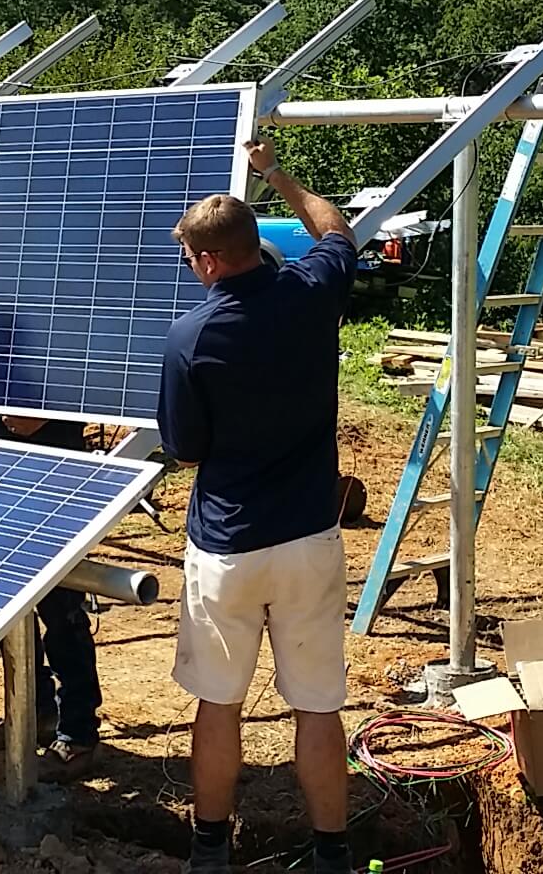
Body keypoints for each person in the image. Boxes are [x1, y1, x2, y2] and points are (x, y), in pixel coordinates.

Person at [157, 138, 359, 874]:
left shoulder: (191, 338)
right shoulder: (313, 292)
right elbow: (335, 229)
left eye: (190, 259)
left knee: (219, 703)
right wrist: (275, 171)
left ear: (210, 262)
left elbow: (186, 451)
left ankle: (211, 849)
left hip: (227, 548)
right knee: (316, 705)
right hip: (308, 537)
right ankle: (331, 853)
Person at [0, 412, 104, 772]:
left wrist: (48, 410)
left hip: (54, 474)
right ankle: (32, 713)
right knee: (7, 604)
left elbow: (87, 370)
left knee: (61, 607)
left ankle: (77, 734)